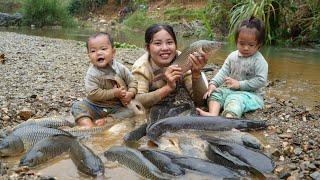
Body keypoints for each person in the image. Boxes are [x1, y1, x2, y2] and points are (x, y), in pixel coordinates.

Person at [197, 16, 268, 118]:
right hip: (231, 90)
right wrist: (213, 84)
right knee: (215, 93)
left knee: (235, 100)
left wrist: (240, 84)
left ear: (259, 45)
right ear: (236, 41)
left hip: (250, 95)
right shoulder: (232, 57)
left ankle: (229, 118)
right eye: (241, 43)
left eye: (251, 45)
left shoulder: (259, 60)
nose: (246, 48)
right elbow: (223, 72)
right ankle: (213, 114)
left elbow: (261, 80)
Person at [131, 24, 208, 110]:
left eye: (169, 42)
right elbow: (137, 101)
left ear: (176, 45)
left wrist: (196, 74)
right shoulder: (141, 67)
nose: (165, 48)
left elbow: (201, 101)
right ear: (147, 48)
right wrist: (168, 88)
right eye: (157, 43)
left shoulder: (184, 59)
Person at [71, 32, 138, 128]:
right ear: (89, 55)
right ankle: (88, 126)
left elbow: (133, 82)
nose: (98, 53)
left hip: (116, 107)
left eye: (103, 49)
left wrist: (130, 93)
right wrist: (113, 93)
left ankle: (108, 120)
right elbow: (93, 93)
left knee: (131, 111)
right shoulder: (92, 73)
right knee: (77, 106)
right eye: (93, 51)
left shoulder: (120, 68)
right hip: (94, 105)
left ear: (113, 52)